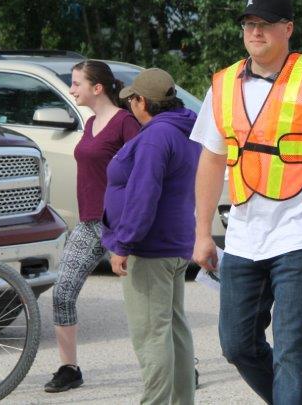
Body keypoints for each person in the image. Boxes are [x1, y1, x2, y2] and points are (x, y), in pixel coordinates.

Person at [191, 0, 302, 404]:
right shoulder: (223, 84)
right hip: (245, 236)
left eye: (265, 24)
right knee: (236, 344)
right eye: (249, 25)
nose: (255, 32)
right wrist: (202, 233)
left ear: (287, 29)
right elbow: (212, 161)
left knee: (292, 350)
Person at [101, 67, 201, 405]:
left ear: (143, 101)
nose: (130, 105)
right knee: (174, 329)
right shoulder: (184, 128)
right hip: (175, 243)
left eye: (132, 99)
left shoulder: (156, 137)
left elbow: (144, 196)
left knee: (152, 334)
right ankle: (181, 400)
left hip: (151, 247)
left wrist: (123, 243)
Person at [46, 60, 140, 393]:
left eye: (76, 84)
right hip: (89, 223)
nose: (71, 90)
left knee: (150, 306)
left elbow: (143, 176)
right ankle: (69, 368)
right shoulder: (89, 124)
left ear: (96, 88)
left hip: (123, 226)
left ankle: (182, 365)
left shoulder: (126, 124)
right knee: (62, 293)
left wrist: (128, 234)